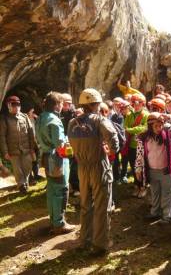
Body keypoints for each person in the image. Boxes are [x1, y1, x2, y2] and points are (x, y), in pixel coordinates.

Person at [68, 88, 119, 256]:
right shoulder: (99, 120)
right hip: (99, 166)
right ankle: (100, 244)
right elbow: (113, 139)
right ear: (96, 104)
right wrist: (111, 151)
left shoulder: (72, 123)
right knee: (102, 206)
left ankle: (84, 240)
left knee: (85, 205)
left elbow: (72, 144)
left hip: (82, 168)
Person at [36, 92, 75, 234]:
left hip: (46, 156)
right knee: (61, 189)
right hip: (57, 158)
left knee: (52, 190)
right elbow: (59, 144)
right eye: (60, 103)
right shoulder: (55, 120)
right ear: (56, 104)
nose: (61, 106)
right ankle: (59, 223)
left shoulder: (40, 118)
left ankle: (53, 220)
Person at [135, 112, 171, 223]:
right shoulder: (143, 138)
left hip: (165, 170)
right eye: (156, 126)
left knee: (166, 193)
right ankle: (155, 212)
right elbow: (139, 155)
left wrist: (166, 116)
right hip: (151, 170)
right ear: (150, 126)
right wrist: (138, 168)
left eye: (161, 125)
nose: (159, 128)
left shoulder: (167, 134)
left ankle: (167, 216)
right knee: (155, 192)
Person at [0, 96, 35, 193]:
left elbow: (30, 133)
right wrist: (5, 151)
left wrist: (32, 148)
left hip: (26, 149)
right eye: (13, 105)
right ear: (9, 106)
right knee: (17, 169)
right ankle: (21, 185)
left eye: (18, 105)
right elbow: (2, 137)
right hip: (13, 150)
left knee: (27, 167)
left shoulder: (24, 117)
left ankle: (25, 182)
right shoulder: (5, 119)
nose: (16, 107)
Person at [124, 93, 149, 198]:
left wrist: (130, 130)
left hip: (141, 146)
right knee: (133, 166)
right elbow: (125, 125)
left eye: (138, 103)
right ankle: (137, 185)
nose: (136, 105)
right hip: (131, 145)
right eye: (134, 103)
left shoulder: (146, 115)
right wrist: (133, 130)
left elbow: (144, 127)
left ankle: (143, 186)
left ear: (143, 104)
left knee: (141, 166)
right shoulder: (129, 115)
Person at [60, 93, 79, 196]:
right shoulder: (58, 113)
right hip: (62, 142)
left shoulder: (75, 114)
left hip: (73, 142)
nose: (65, 106)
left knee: (74, 165)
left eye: (68, 104)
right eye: (64, 103)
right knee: (64, 164)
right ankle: (66, 185)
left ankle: (75, 186)